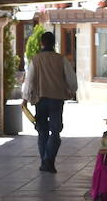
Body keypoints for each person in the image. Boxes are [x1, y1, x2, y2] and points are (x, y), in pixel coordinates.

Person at [21, 30, 78, 172]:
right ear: (54, 43)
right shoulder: (61, 59)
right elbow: (72, 80)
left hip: (40, 99)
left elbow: (30, 80)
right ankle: (48, 161)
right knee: (55, 131)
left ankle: (45, 161)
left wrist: (25, 98)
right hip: (57, 99)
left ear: (42, 43)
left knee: (42, 132)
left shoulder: (36, 59)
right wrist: (72, 89)